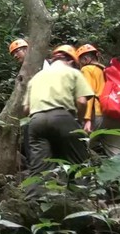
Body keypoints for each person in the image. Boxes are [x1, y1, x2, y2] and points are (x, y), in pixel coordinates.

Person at [22, 44, 93, 198]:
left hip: (36, 121)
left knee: (39, 166)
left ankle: (33, 202)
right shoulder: (73, 73)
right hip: (63, 118)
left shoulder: (36, 77)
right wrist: (79, 121)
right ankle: (80, 200)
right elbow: (82, 101)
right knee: (76, 161)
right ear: (71, 61)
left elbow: (26, 109)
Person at [76, 44, 120, 155]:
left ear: (85, 59)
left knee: (82, 147)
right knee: (117, 153)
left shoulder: (87, 69)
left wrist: (87, 119)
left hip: (99, 114)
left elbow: (89, 95)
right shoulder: (107, 70)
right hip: (115, 113)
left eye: (79, 61)